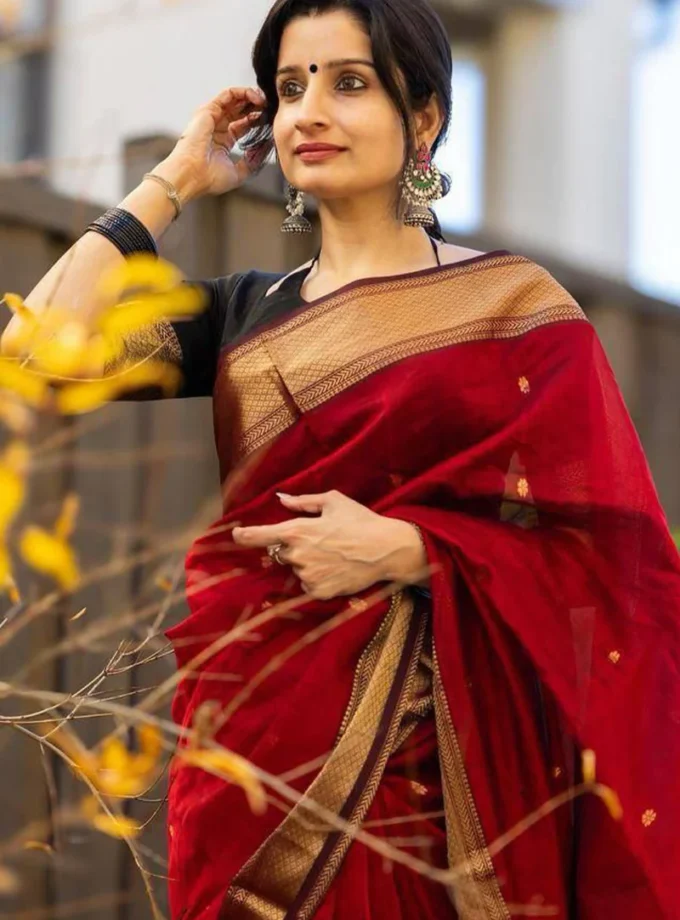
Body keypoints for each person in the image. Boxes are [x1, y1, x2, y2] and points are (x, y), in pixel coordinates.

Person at [4, 0, 680, 917]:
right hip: (257, 752)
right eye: (289, 87)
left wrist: (416, 552)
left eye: (348, 82)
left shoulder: (514, 311)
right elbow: (34, 356)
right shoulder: (243, 315)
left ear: (425, 118)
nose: (308, 112)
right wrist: (173, 179)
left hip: (441, 784)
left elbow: (612, 556)